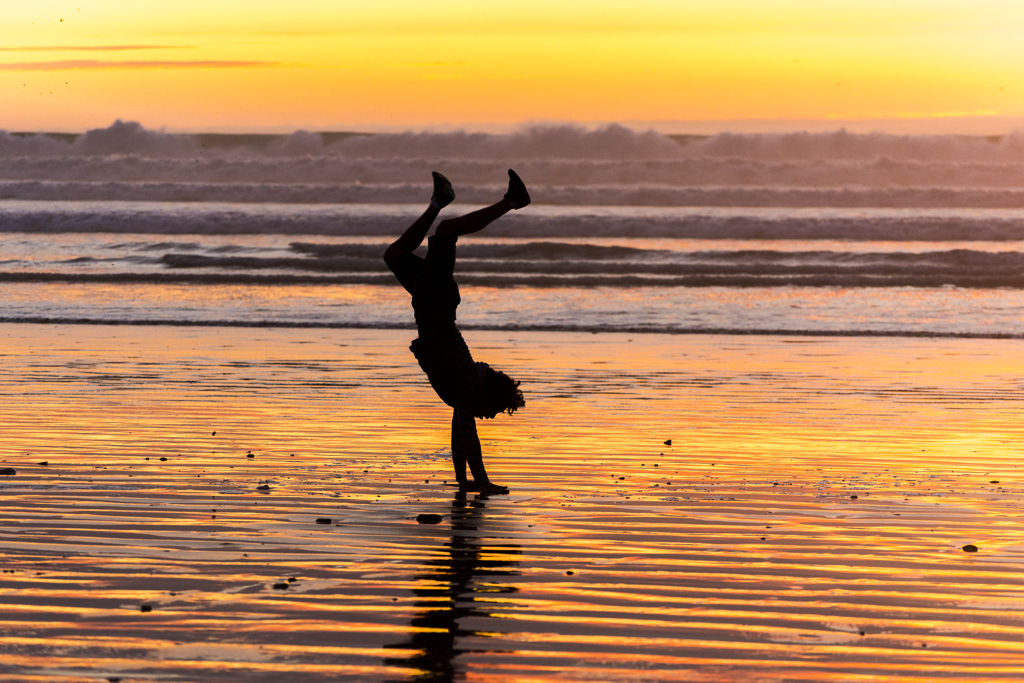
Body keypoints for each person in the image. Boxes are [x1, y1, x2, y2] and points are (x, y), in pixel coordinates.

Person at [384, 170, 529, 494]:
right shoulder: (467, 388)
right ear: (487, 397)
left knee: (394, 255)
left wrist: (463, 481)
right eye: (495, 410)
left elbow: (458, 435)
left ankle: (439, 200)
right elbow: (468, 436)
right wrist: (483, 483)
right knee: (447, 232)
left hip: (433, 303)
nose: (490, 417)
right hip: (435, 303)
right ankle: (512, 201)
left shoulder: (464, 391)